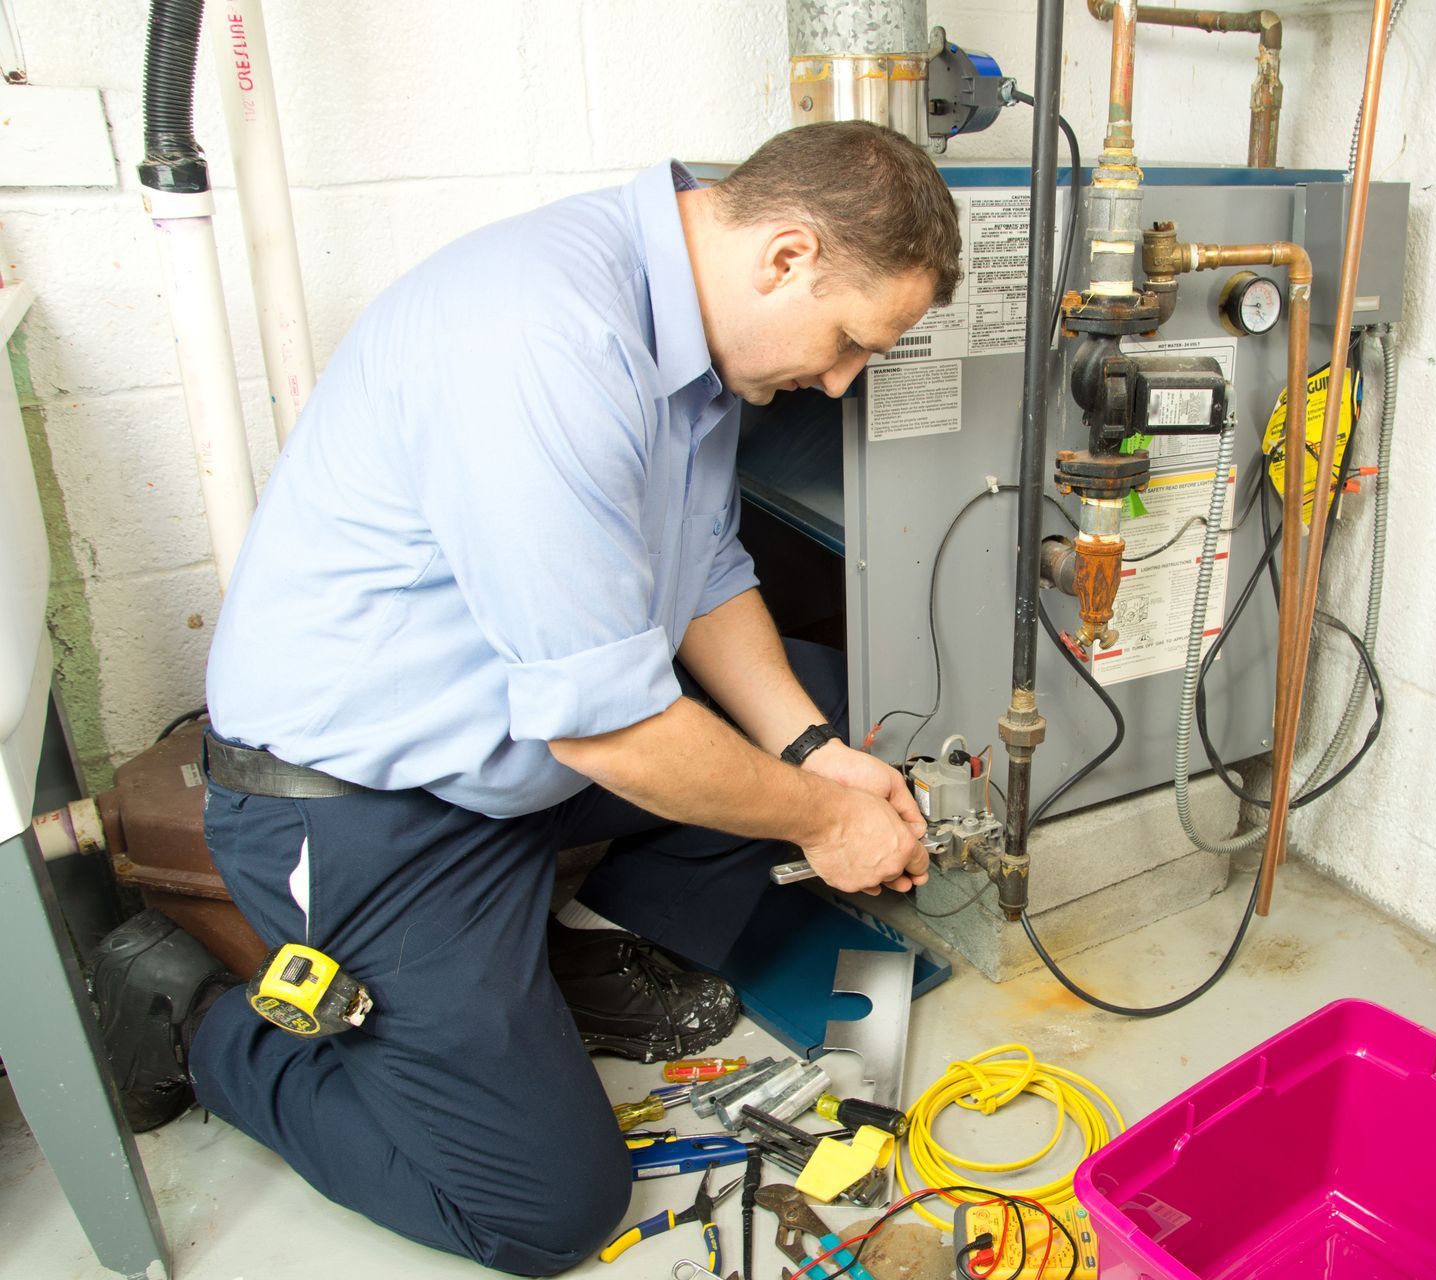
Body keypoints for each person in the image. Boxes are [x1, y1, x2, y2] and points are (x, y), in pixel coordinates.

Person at [88, 120, 961, 1274]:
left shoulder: (688, 341)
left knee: (830, 703)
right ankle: (203, 1025)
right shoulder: (543, 338)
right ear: (788, 256)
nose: (843, 378)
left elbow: (700, 571)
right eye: (853, 340)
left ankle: (588, 959)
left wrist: (811, 750)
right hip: (364, 812)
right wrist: (824, 817)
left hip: (523, 758)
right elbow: (614, 730)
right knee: (544, 1209)